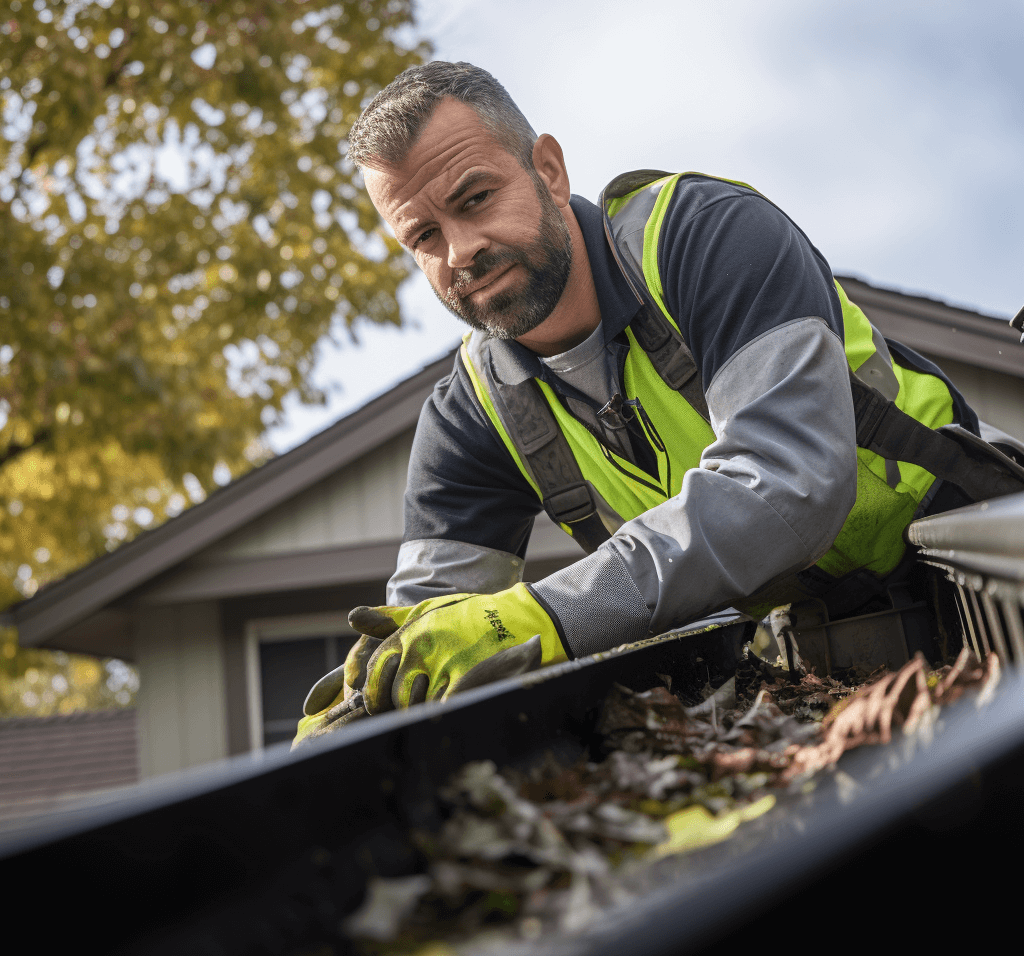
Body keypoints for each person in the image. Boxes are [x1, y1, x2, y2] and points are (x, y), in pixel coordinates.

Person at [294, 61, 1024, 743]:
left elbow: (787, 486)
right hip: (824, 653)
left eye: (475, 198)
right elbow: (429, 624)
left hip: (985, 571)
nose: (459, 251)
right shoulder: (471, 415)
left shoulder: (704, 237)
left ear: (548, 170)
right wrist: (359, 715)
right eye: (423, 235)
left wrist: (543, 614)